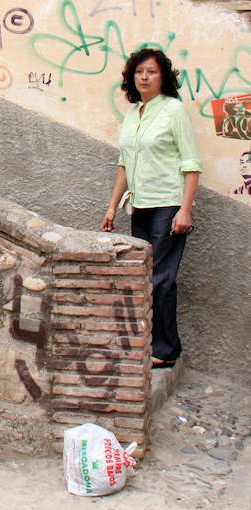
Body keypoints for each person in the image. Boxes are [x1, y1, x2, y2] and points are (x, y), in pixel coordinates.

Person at [101, 48, 201, 369]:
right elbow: (124, 165)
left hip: (168, 204)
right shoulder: (133, 114)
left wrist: (185, 210)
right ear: (132, 76)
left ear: (163, 77)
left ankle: (164, 350)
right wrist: (111, 207)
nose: (144, 77)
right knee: (149, 277)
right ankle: (159, 345)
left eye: (152, 72)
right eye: (139, 71)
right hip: (141, 205)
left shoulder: (174, 111)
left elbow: (191, 164)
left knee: (161, 277)